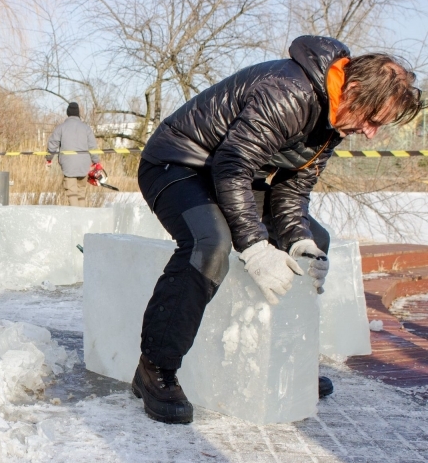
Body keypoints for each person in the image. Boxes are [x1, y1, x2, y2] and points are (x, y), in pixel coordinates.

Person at [132, 35, 424, 424]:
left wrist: (298, 240)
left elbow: (292, 190)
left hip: (230, 175)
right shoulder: (288, 91)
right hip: (178, 163)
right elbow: (233, 165)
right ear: (353, 89)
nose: (371, 132)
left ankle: (286, 365)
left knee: (314, 239)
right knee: (210, 243)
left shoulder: (334, 119)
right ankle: (156, 370)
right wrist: (254, 247)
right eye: (372, 119)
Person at [46, 102, 100, 206]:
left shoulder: (61, 128)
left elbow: (52, 144)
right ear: (78, 113)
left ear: (68, 113)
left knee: (72, 194)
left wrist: (49, 158)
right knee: (81, 193)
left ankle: (75, 218)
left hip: (68, 165)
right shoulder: (86, 128)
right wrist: (96, 162)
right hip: (83, 166)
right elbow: (93, 147)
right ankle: (83, 217)